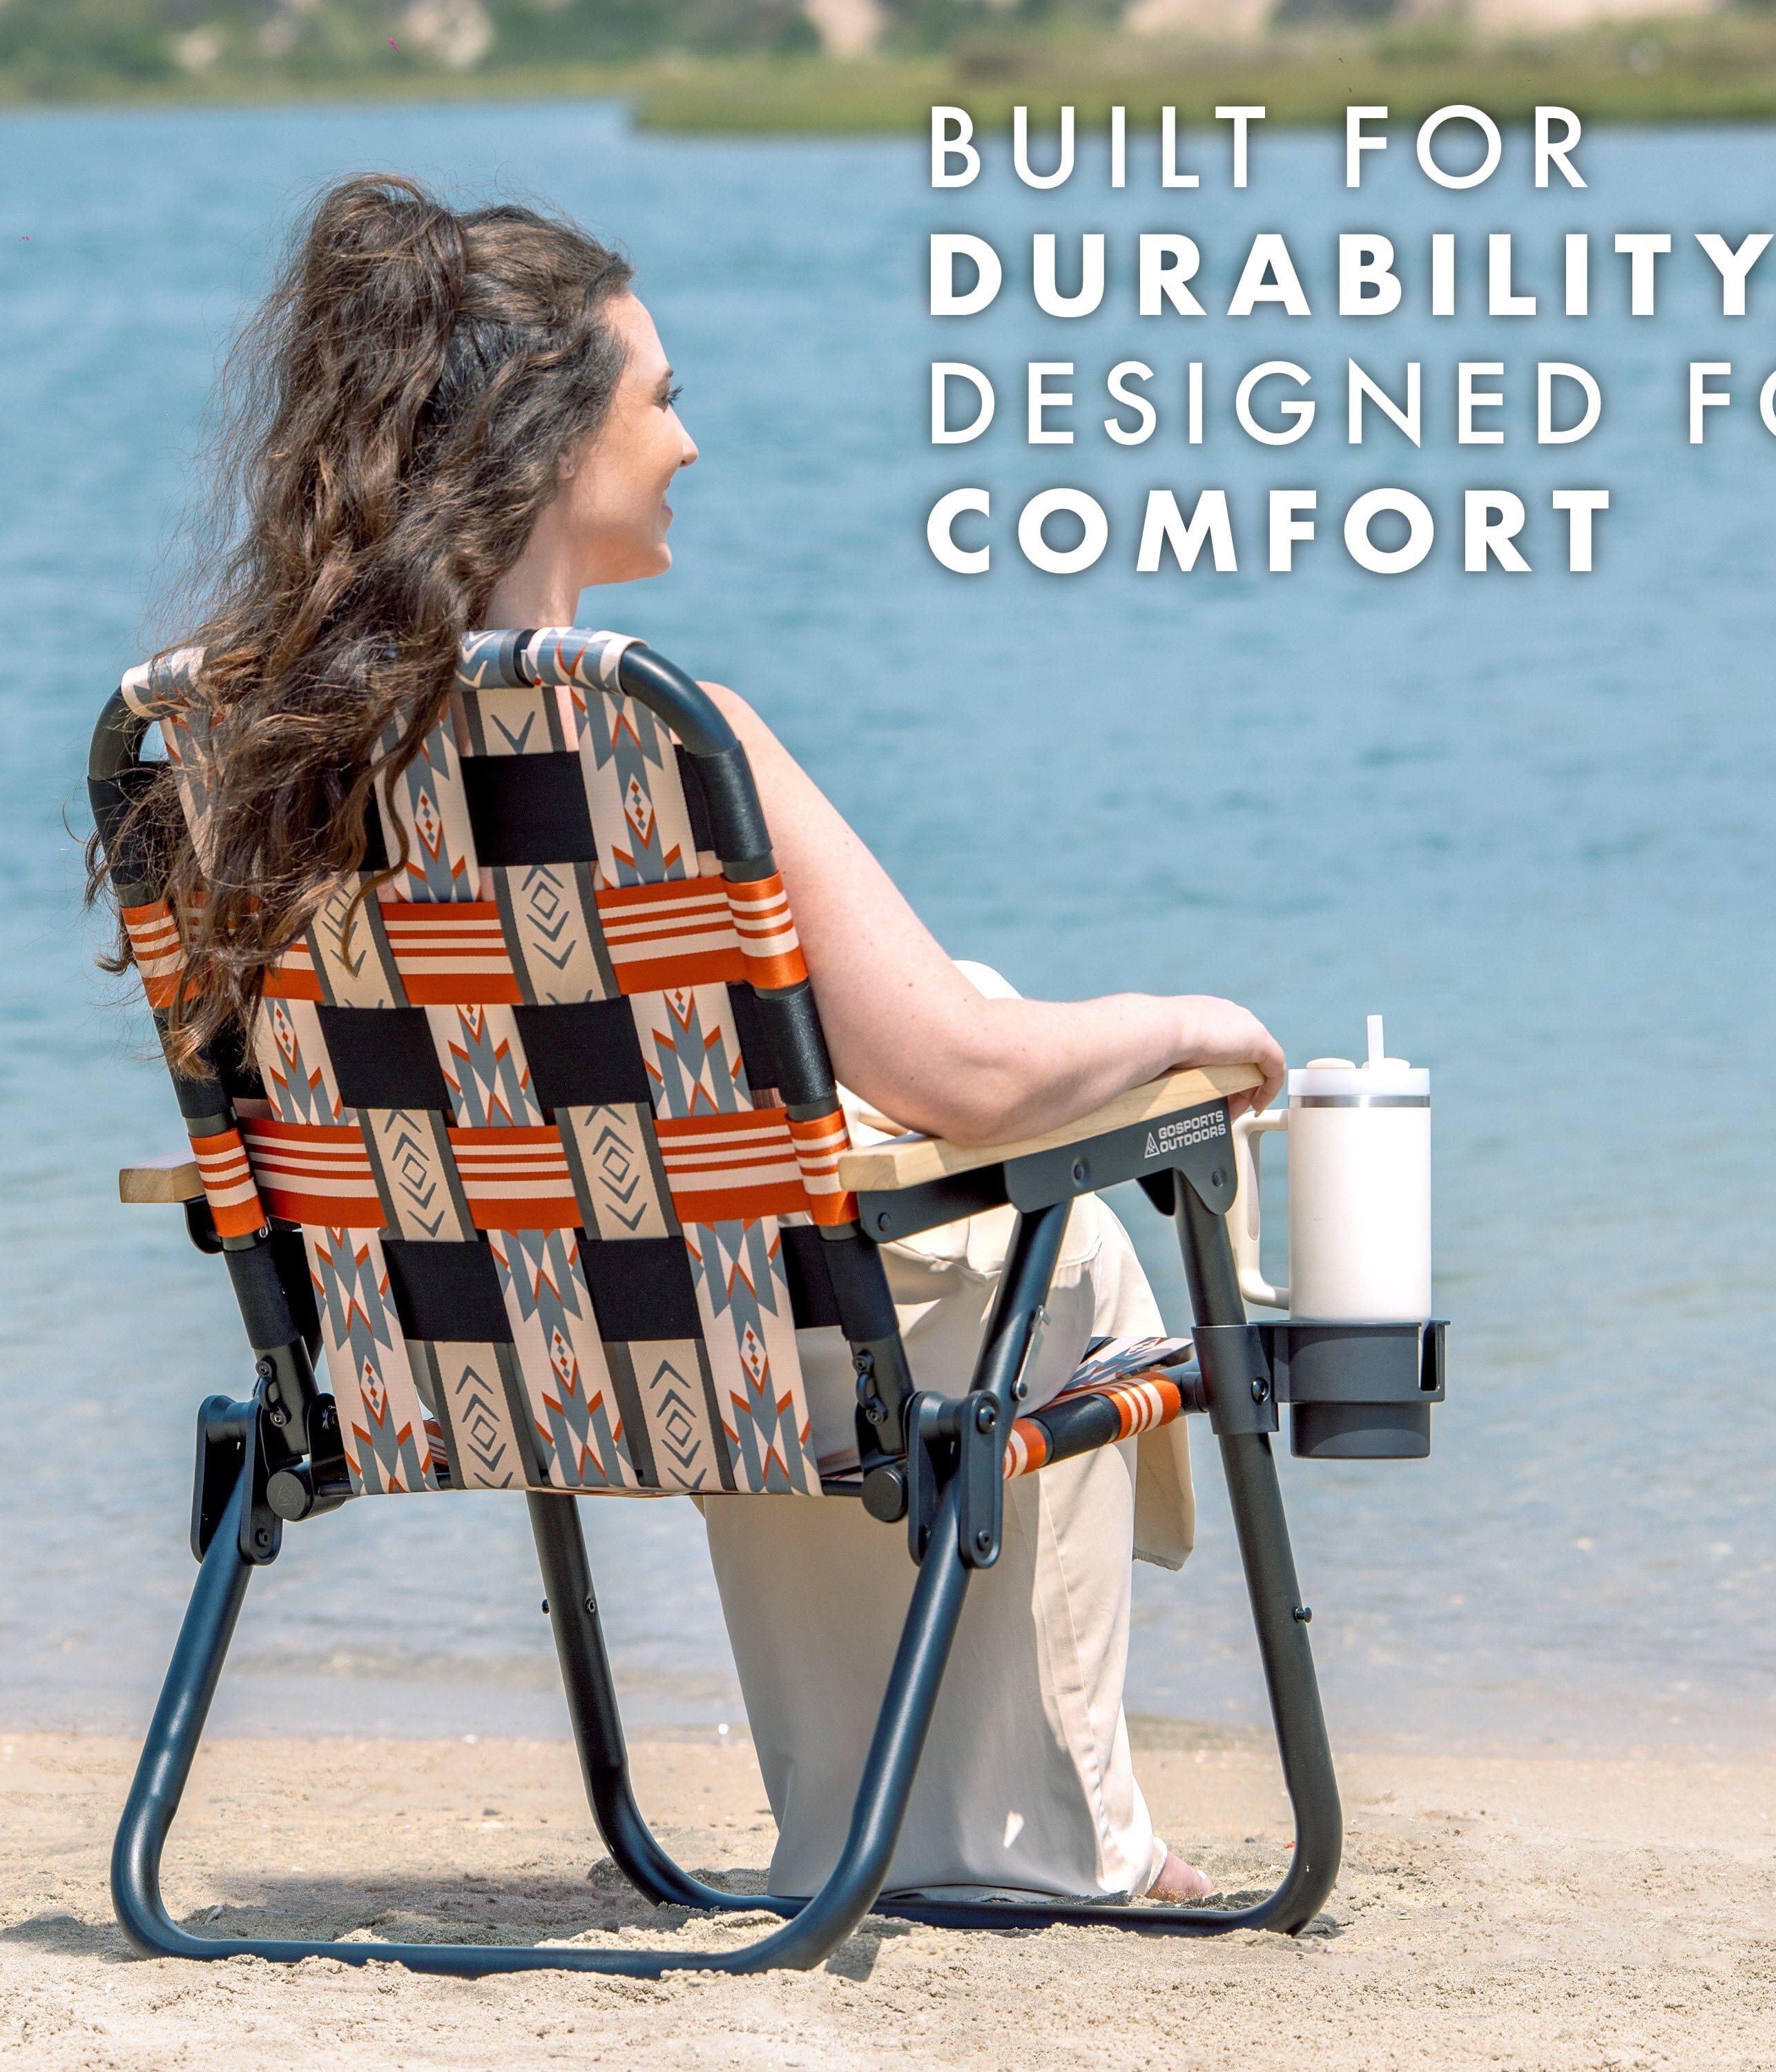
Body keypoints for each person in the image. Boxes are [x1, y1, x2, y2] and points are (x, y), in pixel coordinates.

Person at [97, 173, 1285, 1904]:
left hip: (435, 1358)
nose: (690, 442)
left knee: (904, 1151)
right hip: (725, 1355)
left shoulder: (250, 747)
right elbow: (966, 1081)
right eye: (661, 399)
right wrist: (1192, 1030)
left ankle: (895, 1824)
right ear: (548, 440)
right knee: (1062, 1234)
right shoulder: (659, 736)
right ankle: (1043, 1840)